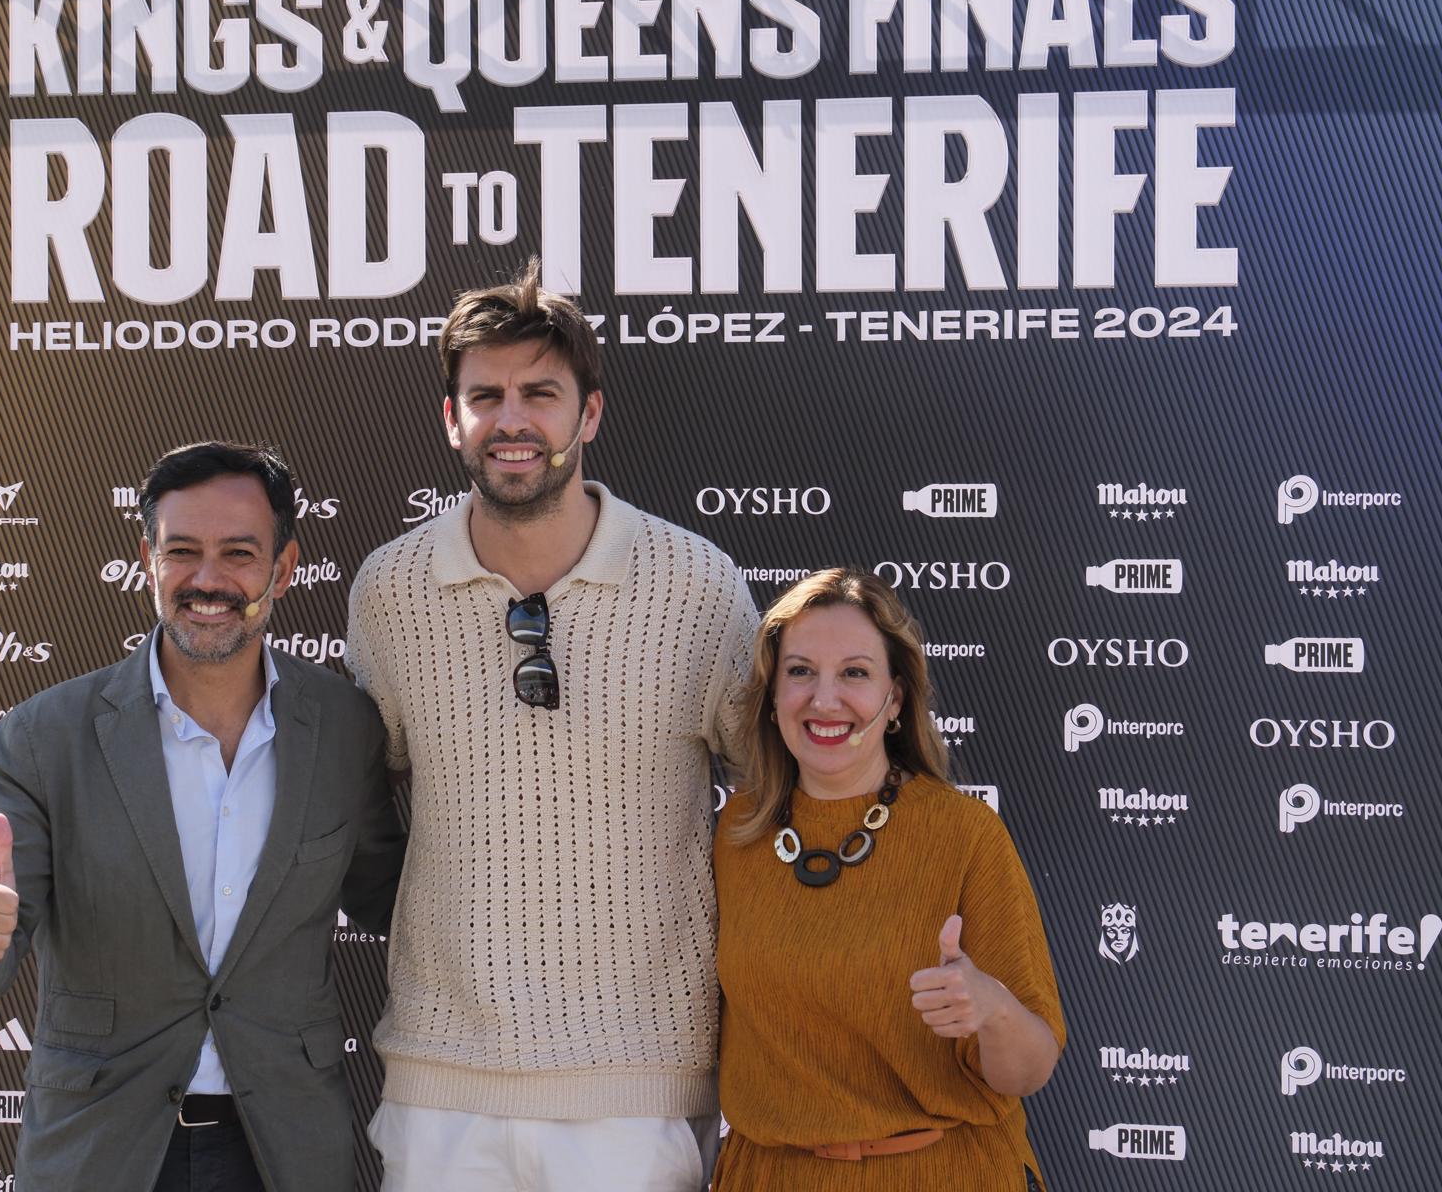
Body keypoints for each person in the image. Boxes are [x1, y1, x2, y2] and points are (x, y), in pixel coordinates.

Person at [346, 260, 762, 1191]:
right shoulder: (389, 591)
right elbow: (360, 810)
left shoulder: (696, 585)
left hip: (637, 1089)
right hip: (441, 1087)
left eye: (541, 391)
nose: (513, 419)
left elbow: (779, 801)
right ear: (452, 418)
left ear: (590, 414)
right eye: (485, 394)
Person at [0, 442, 408, 1192]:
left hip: (283, 1148)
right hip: (103, 1148)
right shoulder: (46, 737)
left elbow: (396, 901)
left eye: (239, 553)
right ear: (148, 561)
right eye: (183, 551)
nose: (208, 580)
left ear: (283, 568)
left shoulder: (343, 730)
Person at [711, 567, 1065, 1189]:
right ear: (771, 696)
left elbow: (1030, 1070)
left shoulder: (964, 835)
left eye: (854, 672)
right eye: (800, 672)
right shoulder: (739, 830)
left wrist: (992, 1009)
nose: (824, 700)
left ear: (895, 699)